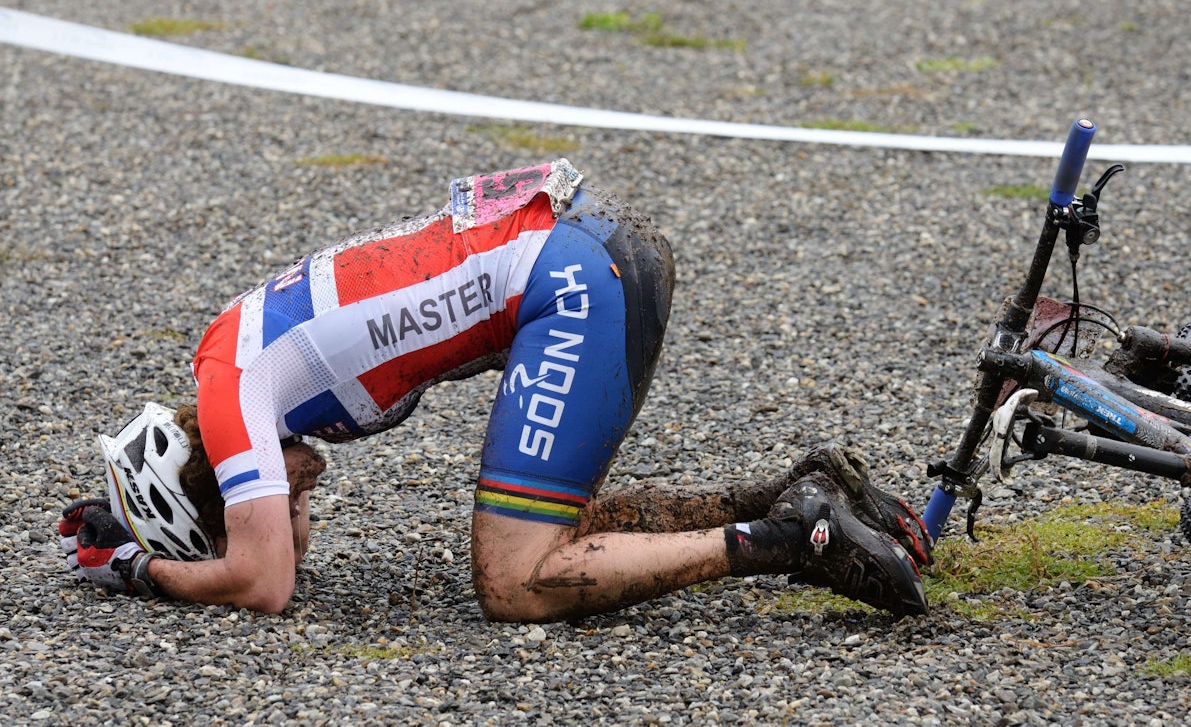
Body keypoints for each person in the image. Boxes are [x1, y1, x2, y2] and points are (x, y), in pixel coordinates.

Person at [58, 159, 932, 621]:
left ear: (216, 480)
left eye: (237, 517)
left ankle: (793, 538)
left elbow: (262, 584)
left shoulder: (231, 392)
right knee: (555, 538)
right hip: (582, 250)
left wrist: (139, 570)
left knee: (514, 582)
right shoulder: (239, 346)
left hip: (573, 282)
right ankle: (788, 491)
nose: (288, 525)